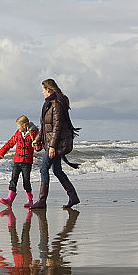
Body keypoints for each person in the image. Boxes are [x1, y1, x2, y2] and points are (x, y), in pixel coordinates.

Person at [30, 79, 81, 209]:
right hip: (53, 143)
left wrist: (52, 146)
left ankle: (42, 201)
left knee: (43, 168)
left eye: (43, 89)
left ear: (48, 89)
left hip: (56, 144)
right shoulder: (49, 104)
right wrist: (37, 139)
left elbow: (56, 127)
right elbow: (45, 126)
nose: (42, 92)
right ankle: (73, 197)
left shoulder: (56, 105)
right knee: (57, 170)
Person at [0, 115, 42, 208]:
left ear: (24, 125)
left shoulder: (34, 134)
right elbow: (9, 144)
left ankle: (30, 200)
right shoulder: (17, 134)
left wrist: (36, 145)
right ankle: (9, 199)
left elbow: (38, 148)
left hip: (27, 162)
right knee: (13, 179)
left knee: (26, 181)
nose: (17, 128)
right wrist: (1, 153)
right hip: (17, 160)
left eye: (18, 126)